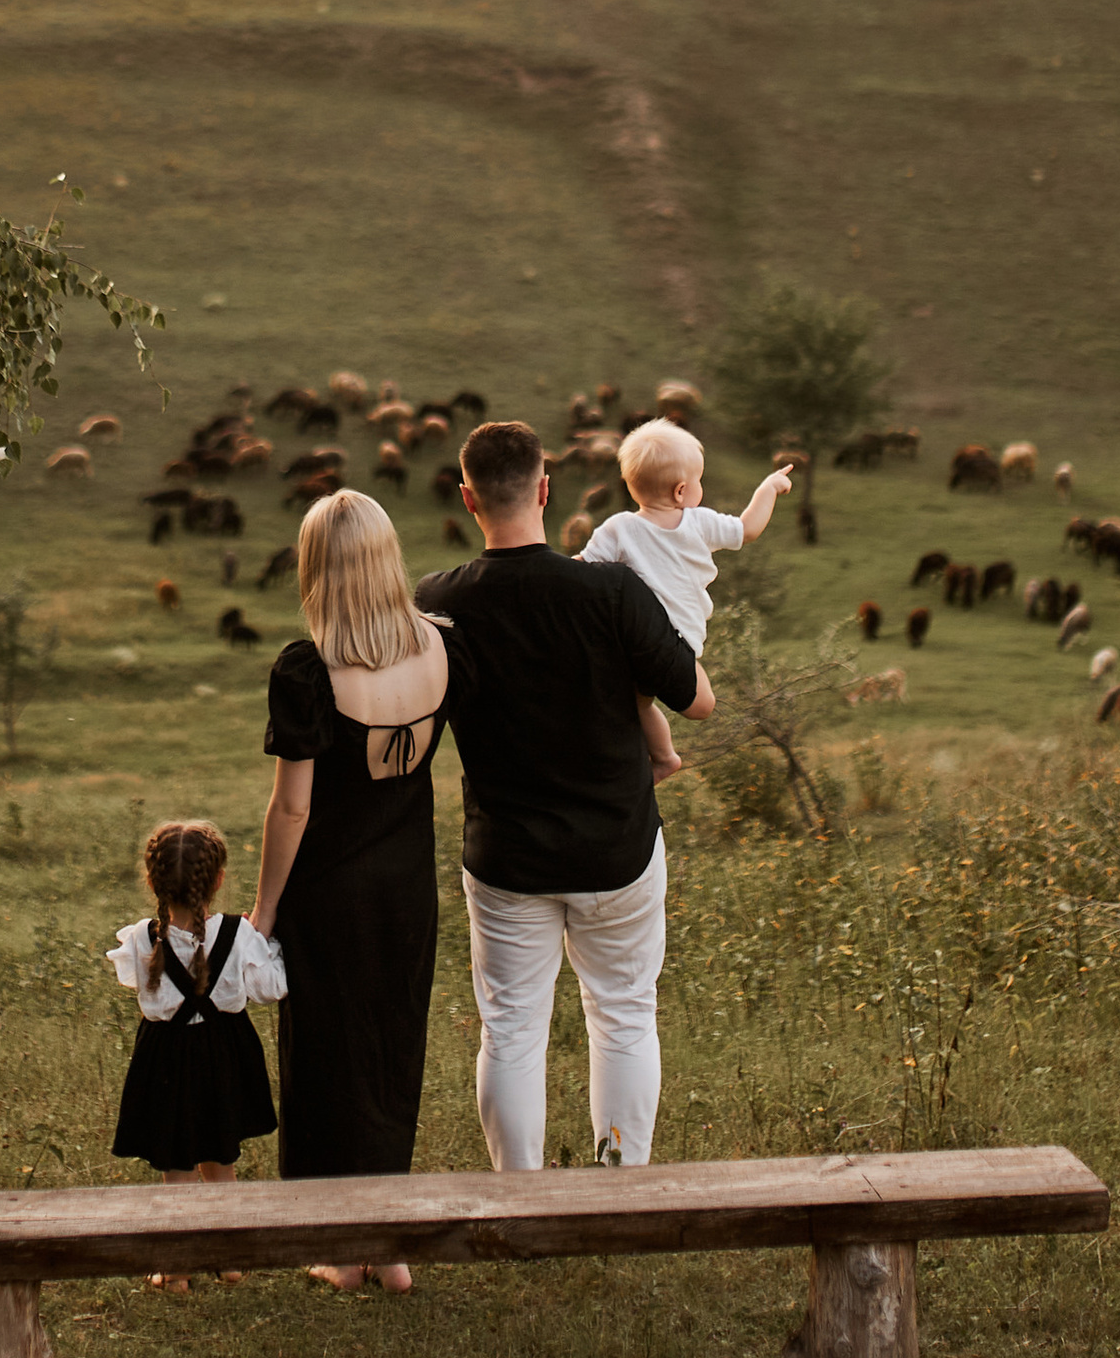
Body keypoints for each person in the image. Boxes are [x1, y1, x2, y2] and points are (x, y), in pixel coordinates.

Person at [417, 418, 712, 1175]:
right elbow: (697, 700)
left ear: (467, 498)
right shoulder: (610, 591)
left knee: (511, 1028)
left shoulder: (439, 602)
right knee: (623, 1017)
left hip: (507, 858)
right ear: (546, 490)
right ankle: (618, 1184)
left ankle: (521, 1196)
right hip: (616, 849)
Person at [252, 489, 450, 1292]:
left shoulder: (308, 671)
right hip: (408, 889)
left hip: (329, 895)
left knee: (325, 1061)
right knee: (391, 1053)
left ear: (315, 568)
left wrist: (263, 912)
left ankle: (337, 1247)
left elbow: (292, 806)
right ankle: (390, 1245)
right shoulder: (443, 648)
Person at [108, 819, 284, 1285]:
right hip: (223, 1058)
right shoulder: (239, 935)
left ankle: (178, 1266)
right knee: (219, 1160)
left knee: (177, 1165)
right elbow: (271, 988)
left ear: (153, 881)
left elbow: (140, 988)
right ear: (218, 879)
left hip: (165, 1061)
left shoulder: (140, 940)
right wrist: (272, 946)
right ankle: (229, 1260)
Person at [583, 418, 791, 780]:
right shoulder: (698, 523)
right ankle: (664, 759)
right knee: (701, 704)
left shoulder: (617, 528)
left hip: (628, 644)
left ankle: (662, 757)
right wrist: (769, 487)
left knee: (639, 703)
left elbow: (581, 570)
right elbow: (749, 527)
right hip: (680, 640)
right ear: (681, 491)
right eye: (699, 481)